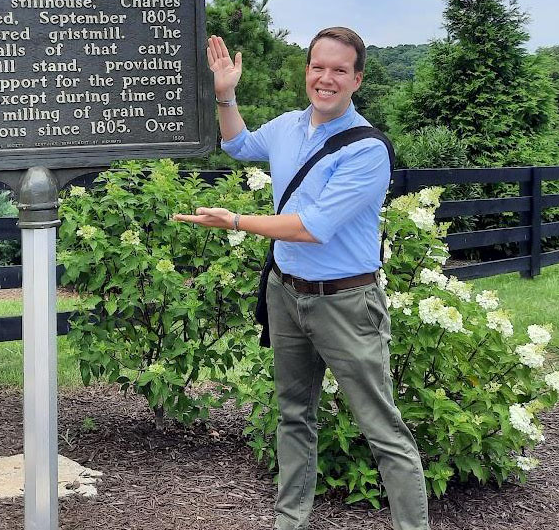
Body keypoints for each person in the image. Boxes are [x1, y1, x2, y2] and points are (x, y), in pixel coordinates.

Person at [174, 28, 429, 530]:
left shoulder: (367, 150)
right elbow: (240, 145)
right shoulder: (290, 127)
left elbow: (313, 226)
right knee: (294, 415)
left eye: (339, 70)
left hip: (347, 304)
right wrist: (226, 93)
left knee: (382, 430)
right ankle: (289, 522)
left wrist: (237, 222)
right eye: (318, 67)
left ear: (357, 79)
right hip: (286, 293)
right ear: (306, 70)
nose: (325, 78)